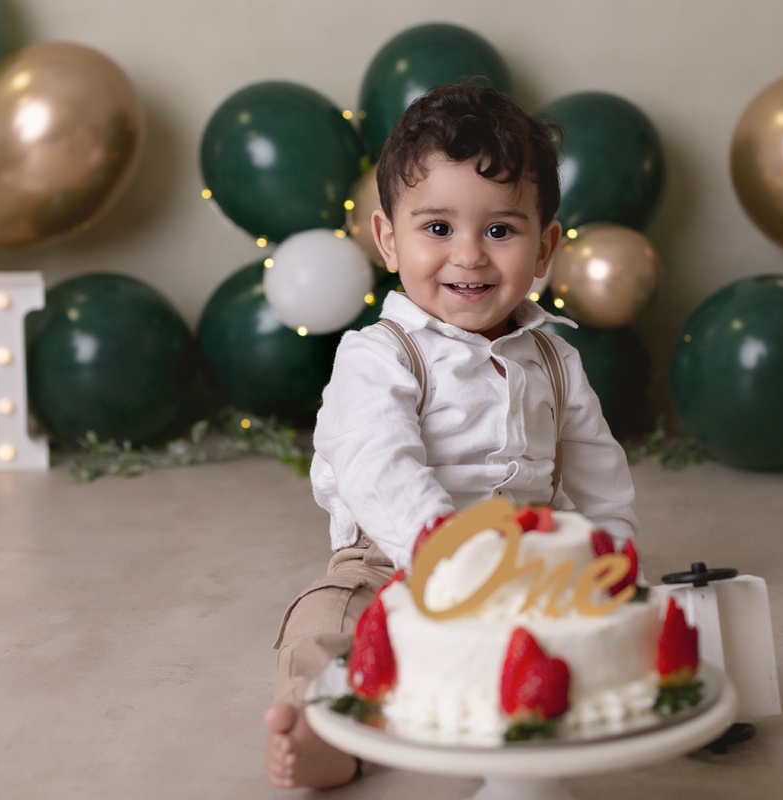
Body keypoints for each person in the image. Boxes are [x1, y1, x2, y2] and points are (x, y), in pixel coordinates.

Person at [263, 81, 638, 790]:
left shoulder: (557, 360)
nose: (468, 256)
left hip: (526, 556)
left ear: (546, 245)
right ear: (387, 238)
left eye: (499, 230)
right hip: (395, 556)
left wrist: (610, 563)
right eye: (438, 229)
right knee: (328, 620)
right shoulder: (379, 355)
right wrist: (445, 551)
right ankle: (326, 730)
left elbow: (598, 476)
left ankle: (547, 708)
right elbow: (378, 464)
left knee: (575, 639)